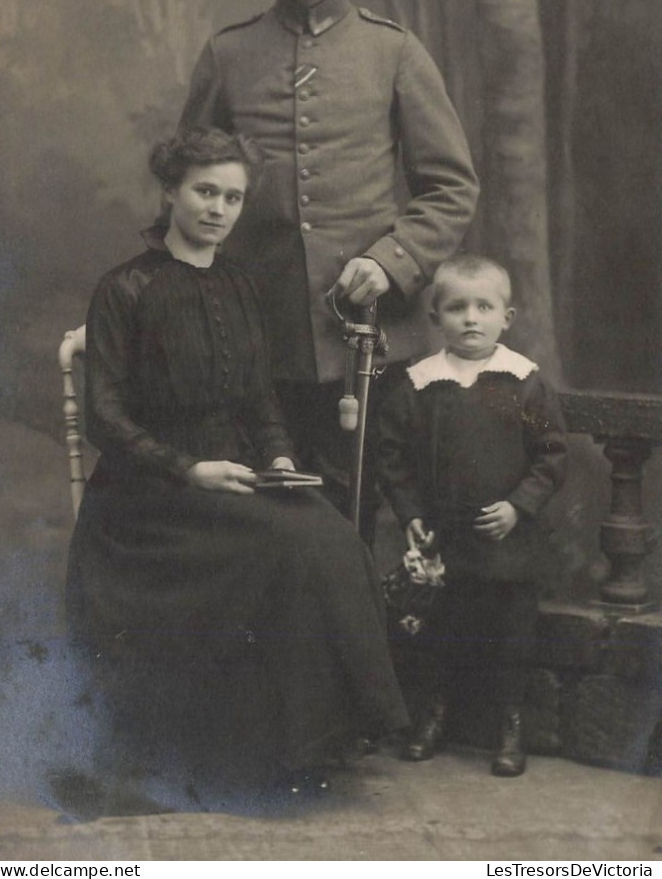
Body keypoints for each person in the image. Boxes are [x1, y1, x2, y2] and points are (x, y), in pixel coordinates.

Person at [64, 129, 409, 811]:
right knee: (289, 547)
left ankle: (317, 742)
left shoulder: (239, 284)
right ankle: (260, 754)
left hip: (238, 471)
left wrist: (278, 455)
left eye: (232, 196)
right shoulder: (123, 289)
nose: (218, 208)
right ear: (170, 193)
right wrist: (190, 470)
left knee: (332, 536)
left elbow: (257, 396)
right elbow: (105, 419)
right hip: (146, 497)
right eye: (204, 192)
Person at [177, 0, 479, 542]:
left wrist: (390, 259)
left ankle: (343, 648)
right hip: (252, 335)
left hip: (365, 341)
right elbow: (185, 183)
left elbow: (450, 185)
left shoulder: (392, 50)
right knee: (256, 522)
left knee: (351, 520)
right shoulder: (229, 54)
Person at [378, 254, 567, 776]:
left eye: (484, 306)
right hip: (443, 539)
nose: (471, 318)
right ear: (435, 317)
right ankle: (432, 716)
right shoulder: (420, 384)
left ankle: (510, 724)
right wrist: (411, 512)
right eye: (457, 307)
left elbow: (551, 455)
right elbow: (391, 456)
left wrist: (517, 506)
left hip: (506, 540)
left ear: (506, 317)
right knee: (434, 633)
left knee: (510, 634)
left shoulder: (522, 382)